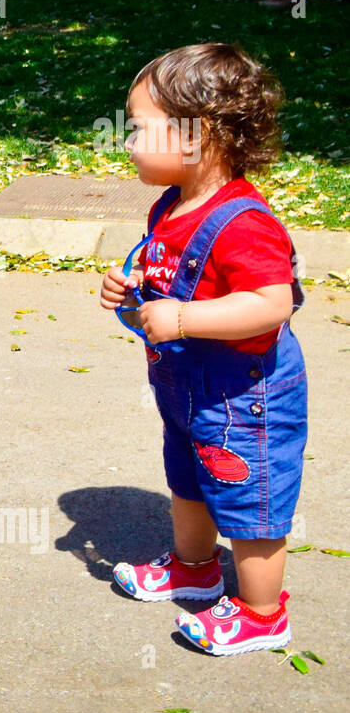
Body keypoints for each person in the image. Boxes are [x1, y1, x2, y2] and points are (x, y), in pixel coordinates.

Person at [100, 43, 306, 655]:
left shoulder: (243, 221)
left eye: (139, 128)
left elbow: (273, 301)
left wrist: (185, 317)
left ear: (198, 136)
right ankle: (193, 568)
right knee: (187, 478)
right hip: (187, 391)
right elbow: (162, 270)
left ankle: (262, 613)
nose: (127, 141)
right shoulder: (172, 206)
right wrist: (129, 283)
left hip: (246, 396)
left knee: (251, 500)